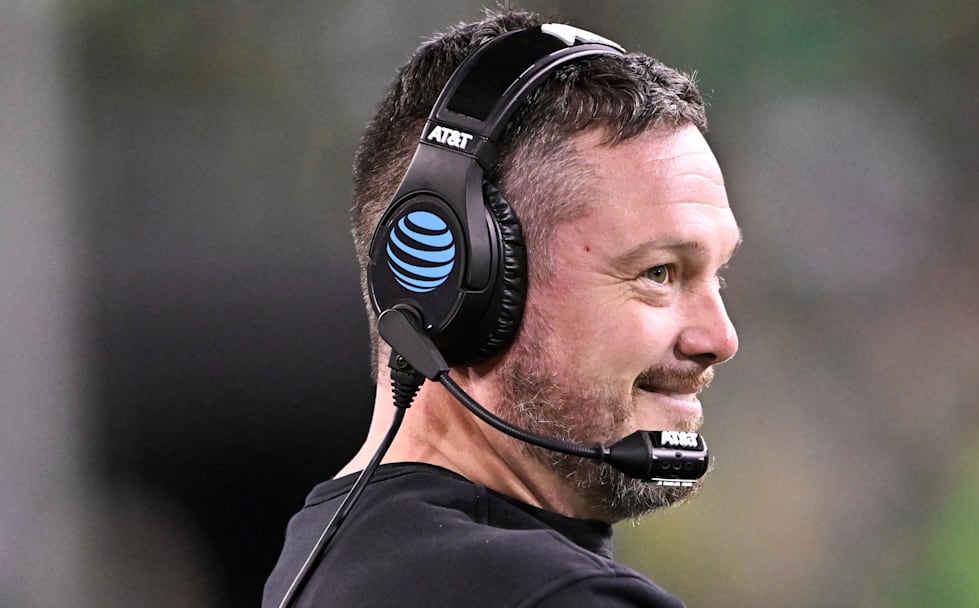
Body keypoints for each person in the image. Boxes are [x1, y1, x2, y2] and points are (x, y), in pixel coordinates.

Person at [264, 9, 740, 608]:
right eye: (658, 273)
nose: (719, 337)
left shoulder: (326, 565)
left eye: (716, 275)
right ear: (451, 283)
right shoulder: (551, 596)